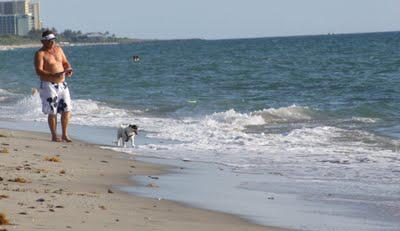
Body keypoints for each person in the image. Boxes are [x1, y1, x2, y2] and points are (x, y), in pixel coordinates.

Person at [34, 30, 74, 142]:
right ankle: (54, 135)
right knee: (52, 111)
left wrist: (69, 69)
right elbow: (39, 71)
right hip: (48, 85)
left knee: (67, 109)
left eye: (53, 40)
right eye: (49, 41)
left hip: (62, 84)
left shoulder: (59, 49)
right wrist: (53, 74)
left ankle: (65, 134)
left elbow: (65, 63)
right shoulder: (40, 53)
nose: (52, 43)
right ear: (43, 41)